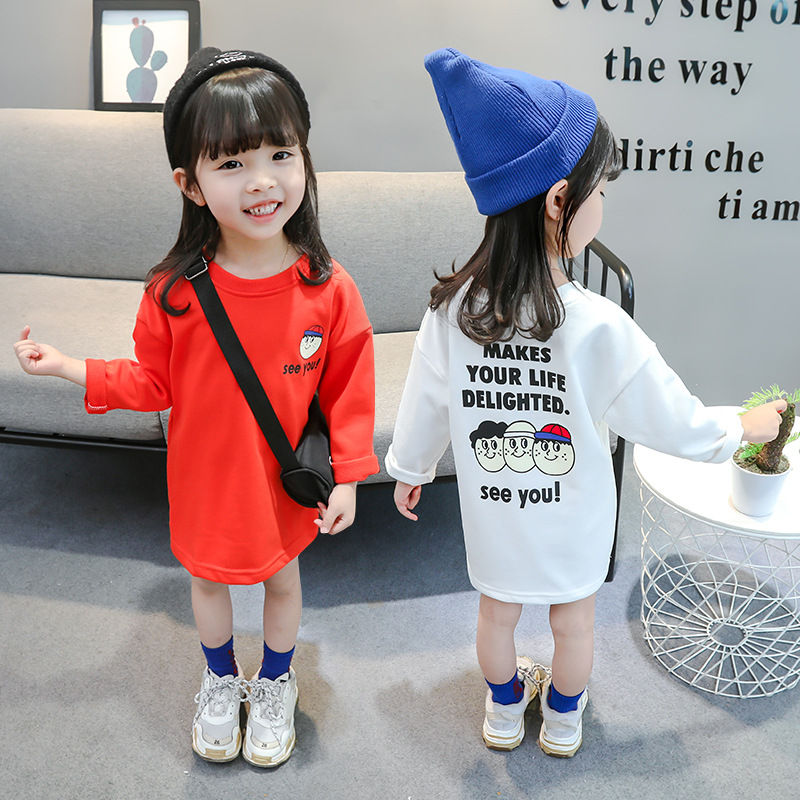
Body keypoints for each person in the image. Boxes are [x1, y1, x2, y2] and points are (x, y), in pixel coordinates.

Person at [385, 48, 786, 759]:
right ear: (558, 200)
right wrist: (741, 429)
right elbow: (673, 419)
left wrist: (410, 468)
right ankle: (564, 720)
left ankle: (504, 710)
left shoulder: (452, 312)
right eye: (601, 189)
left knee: (496, 615)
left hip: (496, 511)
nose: (604, 202)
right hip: (574, 517)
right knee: (573, 624)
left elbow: (426, 399)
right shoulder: (599, 324)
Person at [13, 48, 378, 767]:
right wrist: (66, 367)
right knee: (207, 582)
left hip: (282, 484)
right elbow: (154, 384)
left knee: (283, 579)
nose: (263, 180)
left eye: (281, 154)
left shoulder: (328, 286)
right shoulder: (174, 292)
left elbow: (349, 388)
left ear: (305, 160)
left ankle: (275, 682)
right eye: (233, 162)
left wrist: (349, 477)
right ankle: (220, 679)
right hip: (205, 483)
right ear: (190, 183)